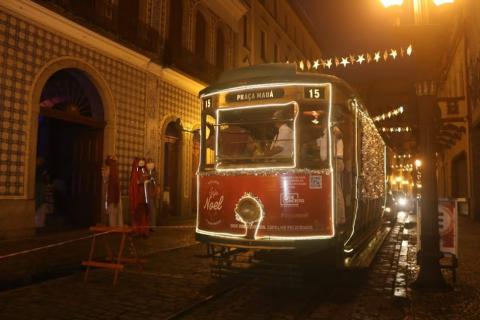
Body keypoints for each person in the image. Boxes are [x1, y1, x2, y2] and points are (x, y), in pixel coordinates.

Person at [129, 157, 149, 236]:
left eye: (142, 162)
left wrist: (141, 181)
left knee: (142, 213)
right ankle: (138, 230)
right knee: (138, 213)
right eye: (140, 162)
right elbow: (135, 182)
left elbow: (145, 178)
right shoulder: (136, 170)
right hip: (138, 195)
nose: (142, 163)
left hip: (142, 196)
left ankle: (142, 230)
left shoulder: (143, 170)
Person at [102, 155, 123, 227]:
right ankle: (119, 225)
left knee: (112, 209)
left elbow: (105, 179)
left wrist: (105, 176)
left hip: (110, 189)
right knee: (117, 208)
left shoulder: (109, 167)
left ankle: (113, 226)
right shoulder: (115, 167)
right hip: (115, 189)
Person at [146, 158, 159, 229]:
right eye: (149, 162)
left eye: (151, 162)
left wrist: (154, 192)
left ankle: (153, 225)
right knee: (147, 210)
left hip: (152, 193)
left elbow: (156, 183)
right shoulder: (145, 172)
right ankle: (148, 224)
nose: (150, 164)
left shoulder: (155, 173)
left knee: (152, 209)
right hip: (145, 193)